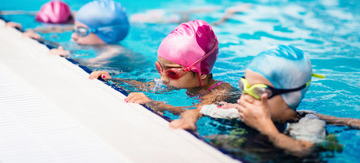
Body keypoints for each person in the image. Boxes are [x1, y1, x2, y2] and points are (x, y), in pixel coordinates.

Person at [200, 44, 360, 157]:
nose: (245, 97)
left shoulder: (309, 123)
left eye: (259, 91)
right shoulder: (241, 111)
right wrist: (188, 117)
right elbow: (198, 110)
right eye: (244, 86)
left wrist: (265, 127)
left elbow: (303, 150)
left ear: (291, 97)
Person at [90, 20, 240, 130]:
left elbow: (194, 110)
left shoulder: (220, 91)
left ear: (201, 73)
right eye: (159, 68)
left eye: (172, 73)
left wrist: (152, 103)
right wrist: (111, 79)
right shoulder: (179, 82)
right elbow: (145, 86)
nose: (163, 78)